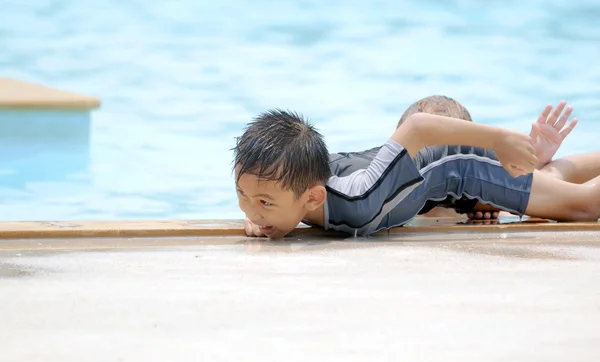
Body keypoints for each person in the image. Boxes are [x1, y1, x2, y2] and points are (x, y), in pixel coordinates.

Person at [233, 107, 600, 239]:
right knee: (550, 183)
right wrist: (262, 218)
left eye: (264, 202)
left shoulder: (357, 198)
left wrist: (500, 140)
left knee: (584, 206)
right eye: (243, 196)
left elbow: (419, 126)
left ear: (313, 197)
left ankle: (523, 163)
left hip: (460, 166)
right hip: (430, 179)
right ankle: (536, 166)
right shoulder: (293, 183)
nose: (250, 209)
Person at [329, 95, 580, 221]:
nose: (437, 165)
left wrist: (528, 168)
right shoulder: (388, 194)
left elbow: (540, 207)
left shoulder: (474, 200)